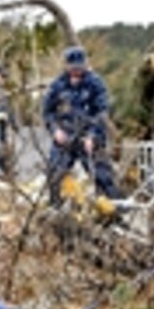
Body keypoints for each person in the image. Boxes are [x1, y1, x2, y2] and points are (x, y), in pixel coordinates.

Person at [42, 46, 121, 205]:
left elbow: (102, 113)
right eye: (73, 68)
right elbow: (47, 113)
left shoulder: (95, 84)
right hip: (65, 136)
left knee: (103, 176)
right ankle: (56, 207)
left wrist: (92, 136)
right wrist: (55, 130)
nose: (76, 72)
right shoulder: (58, 85)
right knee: (55, 173)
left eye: (80, 67)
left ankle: (115, 209)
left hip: (89, 135)